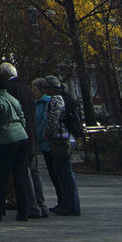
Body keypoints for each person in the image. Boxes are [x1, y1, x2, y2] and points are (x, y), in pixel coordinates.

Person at [0, 63, 48, 218]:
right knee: (35, 172)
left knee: (22, 173)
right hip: (31, 135)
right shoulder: (27, 89)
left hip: (18, 137)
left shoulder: (9, 91)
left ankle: (31, 206)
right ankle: (41, 204)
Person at [0, 68, 32, 220]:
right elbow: (22, 117)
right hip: (21, 136)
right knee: (20, 175)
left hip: (7, 139)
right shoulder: (13, 99)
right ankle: (24, 211)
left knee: (0, 175)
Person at [40, 76, 81, 216]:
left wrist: (47, 134)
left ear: (52, 87)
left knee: (64, 173)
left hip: (60, 139)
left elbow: (54, 119)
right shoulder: (67, 97)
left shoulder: (56, 99)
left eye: (46, 88)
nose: (44, 91)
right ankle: (67, 203)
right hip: (67, 137)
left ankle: (70, 204)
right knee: (63, 172)